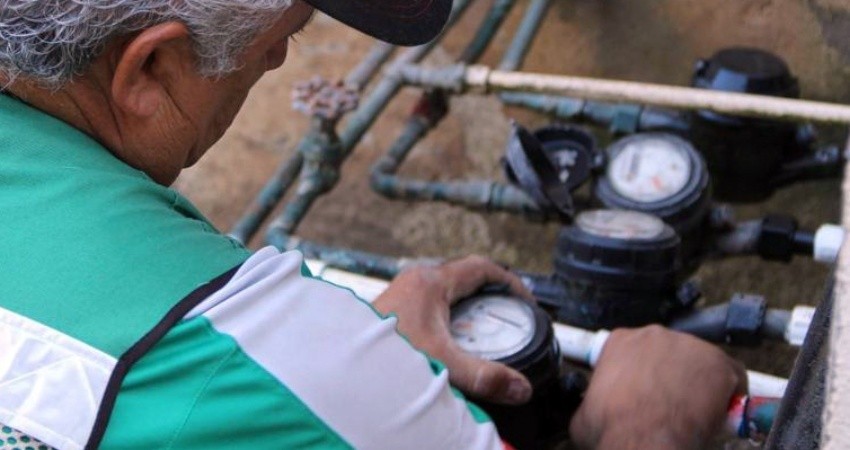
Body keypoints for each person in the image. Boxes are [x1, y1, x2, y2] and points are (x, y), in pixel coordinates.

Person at [0, 1, 745, 448]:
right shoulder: (241, 354)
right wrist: (647, 428)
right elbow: (254, 364)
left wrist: (350, 369)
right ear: (150, 70)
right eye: (279, 38)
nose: (281, 56)